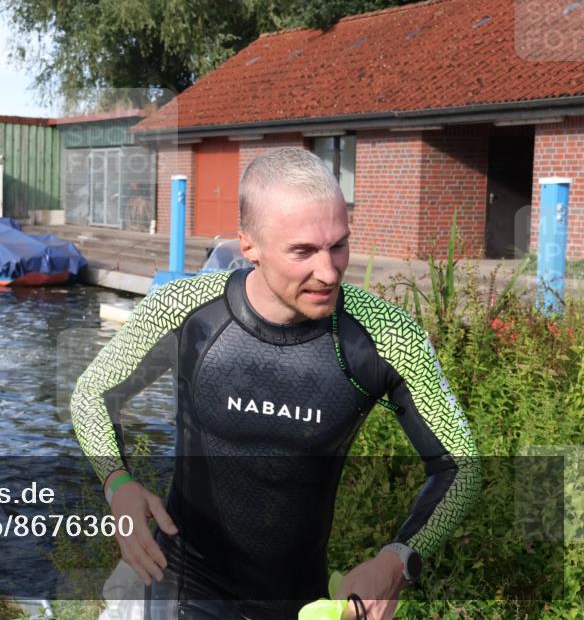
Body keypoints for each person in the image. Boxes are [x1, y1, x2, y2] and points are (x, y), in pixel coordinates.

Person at [70, 148, 481, 620]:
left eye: (339, 245)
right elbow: (92, 394)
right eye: (303, 251)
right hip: (177, 585)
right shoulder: (185, 309)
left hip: (298, 603)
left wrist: (398, 560)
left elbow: (459, 467)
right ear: (250, 246)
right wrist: (117, 483)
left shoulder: (385, 334)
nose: (328, 272)